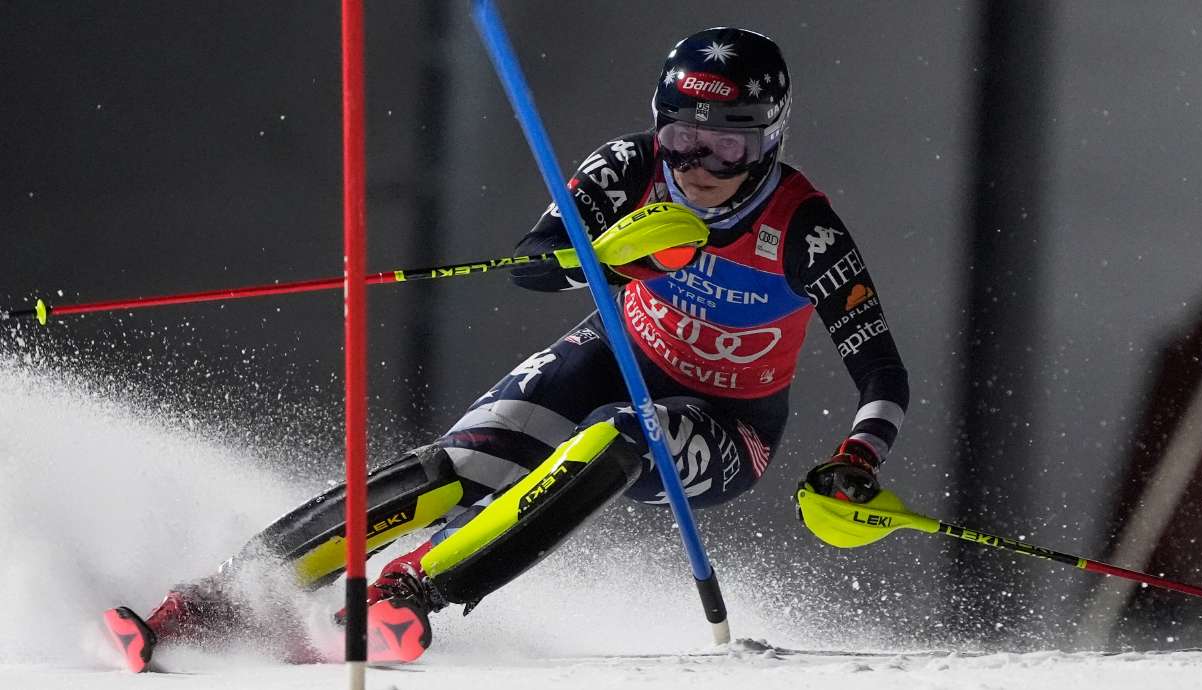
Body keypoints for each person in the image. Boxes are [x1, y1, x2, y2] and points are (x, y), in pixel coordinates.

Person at [103, 26, 908, 671]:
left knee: (629, 433)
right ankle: (216, 603)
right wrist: (617, 254)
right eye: (681, 138)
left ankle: (412, 592)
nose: (697, 166)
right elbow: (532, 263)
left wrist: (859, 458)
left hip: (729, 423)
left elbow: (879, 367)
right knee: (456, 468)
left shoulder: (802, 226)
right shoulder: (632, 167)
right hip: (613, 349)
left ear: (768, 140)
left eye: (725, 148)